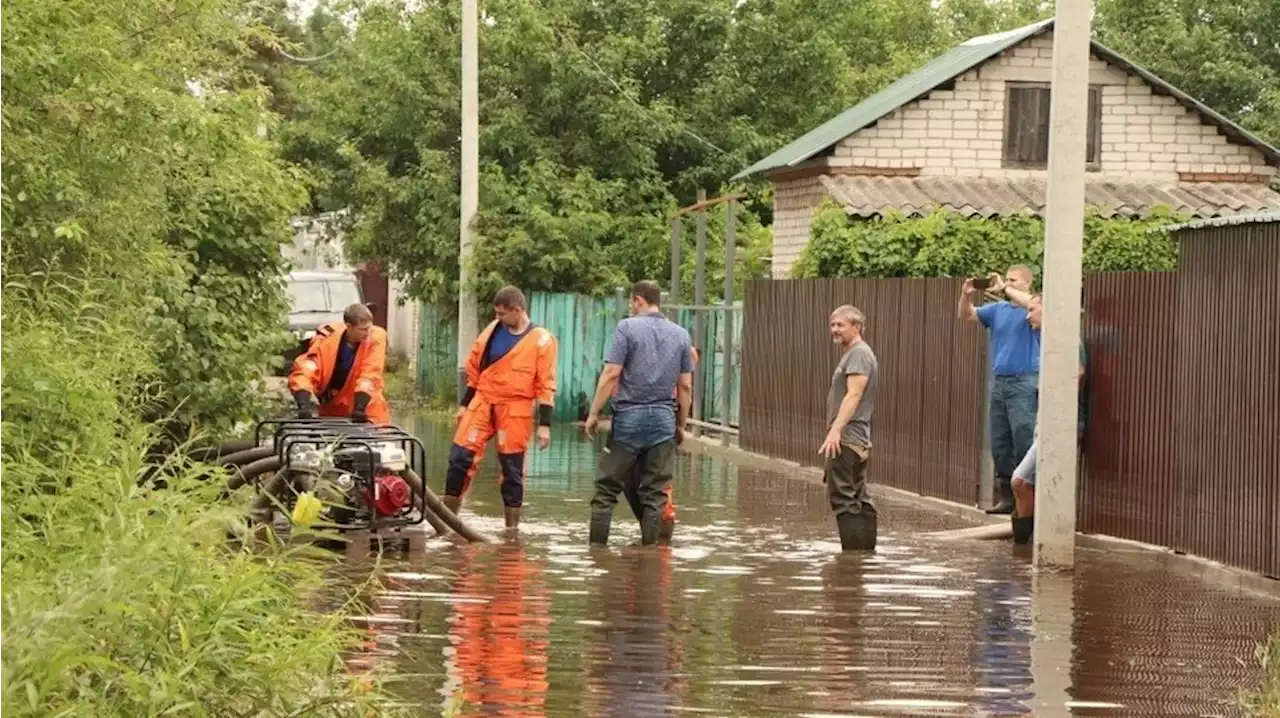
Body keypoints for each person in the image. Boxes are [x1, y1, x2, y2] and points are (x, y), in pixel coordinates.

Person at [584, 280, 692, 547]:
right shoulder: (681, 335)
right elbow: (685, 385)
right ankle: (650, 557)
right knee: (655, 494)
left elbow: (611, 373)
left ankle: (597, 556)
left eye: (633, 303)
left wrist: (594, 413)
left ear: (638, 300)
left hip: (630, 419)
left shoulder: (627, 328)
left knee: (606, 490)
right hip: (663, 421)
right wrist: (681, 424)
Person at [444, 286, 558, 530]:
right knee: (459, 457)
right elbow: (475, 371)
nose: (498, 318)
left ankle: (511, 531)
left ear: (517, 311)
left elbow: (545, 384)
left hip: (515, 408)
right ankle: (446, 522)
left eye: (502, 314)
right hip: (483, 401)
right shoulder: (491, 332)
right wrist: (465, 405)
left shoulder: (542, 340)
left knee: (512, 469)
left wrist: (545, 425)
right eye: (496, 314)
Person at [1001, 291, 1089, 545]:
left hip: (1062, 425)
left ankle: (1026, 543)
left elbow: (1078, 373)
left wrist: (1055, 400)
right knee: (1031, 482)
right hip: (1049, 423)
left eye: (1032, 310)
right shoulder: (1048, 341)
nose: (1028, 316)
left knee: (1019, 480)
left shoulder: (1066, 342)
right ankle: (1030, 542)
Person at [958, 265, 1041, 515]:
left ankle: (1027, 497)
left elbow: (1033, 304)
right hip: (1000, 382)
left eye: (1014, 280)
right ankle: (1006, 496)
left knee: (1024, 435)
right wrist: (966, 295)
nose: (1008, 283)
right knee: (1000, 440)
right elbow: (967, 316)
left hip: (1024, 381)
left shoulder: (1033, 310)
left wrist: (1005, 288)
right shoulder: (999, 310)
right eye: (1006, 279)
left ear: (1028, 284)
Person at [620, 344, 698, 544]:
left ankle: (658, 537)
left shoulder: (673, 351)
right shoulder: (672, 350)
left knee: (647, 482)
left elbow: (685, 387)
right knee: (650, 481)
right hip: (660, 420)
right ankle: (655, 536)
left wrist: (681, 423)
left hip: (645, 420)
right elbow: (685, 387)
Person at [818, 305, 880, 551]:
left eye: (840, 325)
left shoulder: (858, 354)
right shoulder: (857, 354)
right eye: (832, 325)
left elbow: (853, 395)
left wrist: (835, 431)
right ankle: (864, 557)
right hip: (855, 436)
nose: (835, 330)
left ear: (857, 327)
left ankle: (852, 561)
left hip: (847, 437)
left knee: (843, 498)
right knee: (857, 495)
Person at [289, 302, 390, 424]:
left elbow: (370, 373)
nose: (368, 333)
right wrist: (303, 404)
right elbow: (306, 370)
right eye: (363, 329)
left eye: (369, 328)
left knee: (375, 438)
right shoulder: (327, 338)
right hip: (333, 409)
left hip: (368, 410)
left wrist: (360, 408)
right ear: (349, 326)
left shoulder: (376, 337)